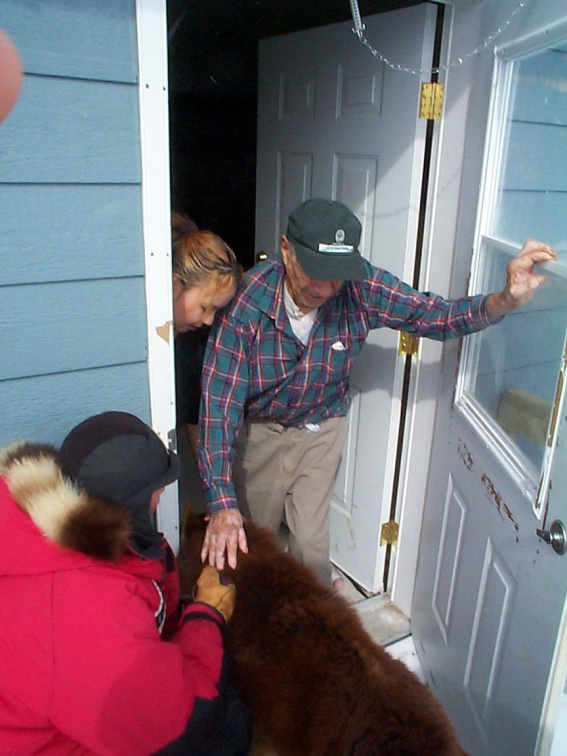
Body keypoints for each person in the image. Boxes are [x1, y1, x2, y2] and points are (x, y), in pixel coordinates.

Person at [196, 198, 556, 586]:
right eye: (315, 271)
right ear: (287, 251)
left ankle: (316, 627)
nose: (325, 288)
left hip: (321, 426)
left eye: (336, 274)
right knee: (249, 539)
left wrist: (503, 300)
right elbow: (219, 407)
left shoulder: (361, 286)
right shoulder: (248, 303)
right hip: (261, 428)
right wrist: (221, 503)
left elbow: (430, 314)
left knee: (311, 547)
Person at [0, 411, 251, 755]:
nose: (162, 493)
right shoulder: (85, 610)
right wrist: (207, 613)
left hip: (58, 713)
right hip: (52, 744)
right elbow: (181, 722)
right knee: (229, 723)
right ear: (132, 504)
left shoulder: (49, 539)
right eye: (157, 488)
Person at [171, 213, 241, 515]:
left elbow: (194, 411)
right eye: (205, 307)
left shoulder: (193, 343)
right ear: (175, 286)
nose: (209, 320)